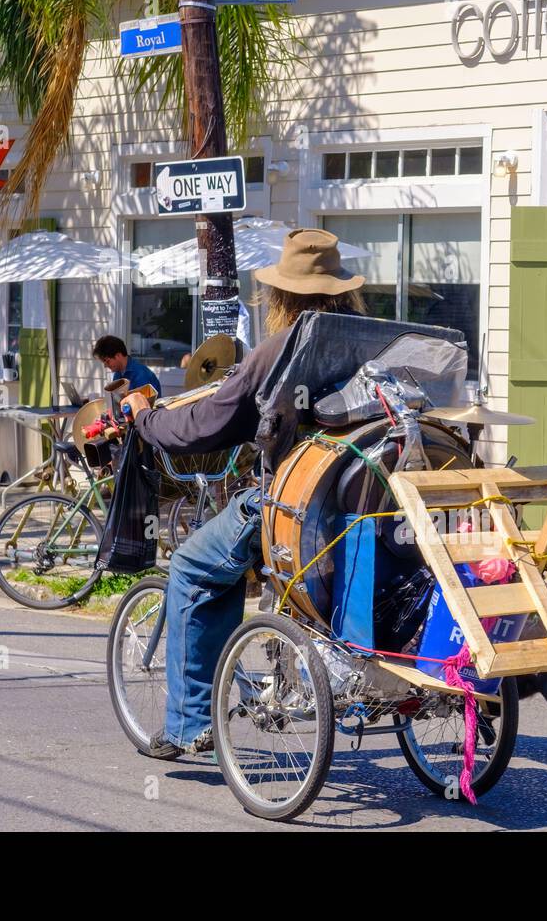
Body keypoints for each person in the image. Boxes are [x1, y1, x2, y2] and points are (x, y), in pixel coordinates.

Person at [122, 229, 367, 758]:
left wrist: (145, 421)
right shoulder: (367, 341)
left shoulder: (279, 349)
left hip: (292, 505)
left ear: (281, 296)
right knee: (223, 558)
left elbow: (204, 427)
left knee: (191, 566)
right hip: (361, 503)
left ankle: (189, 726)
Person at [93, 335, 162, 397]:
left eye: (107, 361)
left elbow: (144, 407)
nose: (105, 366)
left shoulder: (141, 374)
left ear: (118, 355)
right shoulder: (118, 373)